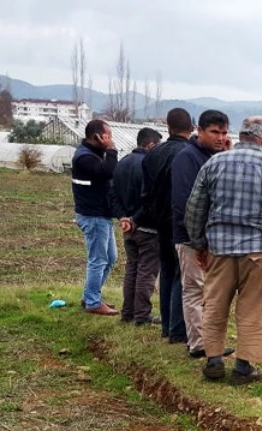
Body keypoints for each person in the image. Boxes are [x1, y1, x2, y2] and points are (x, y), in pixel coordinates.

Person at [185, 116, 262, 385]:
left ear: (240, 136)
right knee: (255, 308)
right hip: (260, 253)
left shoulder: (213, 163)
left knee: (214, 304)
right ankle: (243, 367)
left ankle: (213, 360)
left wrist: (199, 244)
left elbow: (194, 208)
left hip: (220, 249)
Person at [171, 110, 233, 359]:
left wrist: (227, 154)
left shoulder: (216, 156)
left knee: (209, 291)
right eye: (215, 132)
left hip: (211, 236)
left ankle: (206, 339)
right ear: (200, 130)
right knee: (195, 289)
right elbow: (185, 202)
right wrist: (197, 240)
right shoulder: (187, 158)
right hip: (191, 236)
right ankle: (198, 343)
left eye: (225, 132)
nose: (220, 137)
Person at [130, 108, 193, 344]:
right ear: (192, 127)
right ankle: (178, 329)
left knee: (166, 272)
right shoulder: (188, 154)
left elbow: (145, 194)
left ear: (168, 127)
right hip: (178, 221)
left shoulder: (153, 154)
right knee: (181, 275)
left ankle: (166, 326)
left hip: (158, 222)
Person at [112, 127, 163, 325]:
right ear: (150, 145)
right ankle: (142, 315)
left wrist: (123, 218)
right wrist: (136, 219)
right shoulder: (149, 166)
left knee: (132, 270)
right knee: (146, 273)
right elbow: (150, 199)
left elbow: (112, 193)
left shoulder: (122, 163)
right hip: (147, 228)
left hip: (128, 229)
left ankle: (127, 313)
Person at [71, 119, 119, 315]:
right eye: (108, 135)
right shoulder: (85, 157)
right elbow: (108, 171)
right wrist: (112, 149)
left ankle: (90, 295)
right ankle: (92, 302)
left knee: (110, 258)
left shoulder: (92, 154)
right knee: (98, 260)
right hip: (93, 216)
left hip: (101, 215)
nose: (111, 139)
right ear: (98, 136)